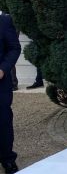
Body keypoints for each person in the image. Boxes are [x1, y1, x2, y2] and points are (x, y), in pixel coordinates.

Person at [0, 13, 21, 174]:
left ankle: (7, 159)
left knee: (3, 121)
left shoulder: (4, 21)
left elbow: (14, 48)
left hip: (0, 83)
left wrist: (3, 69)